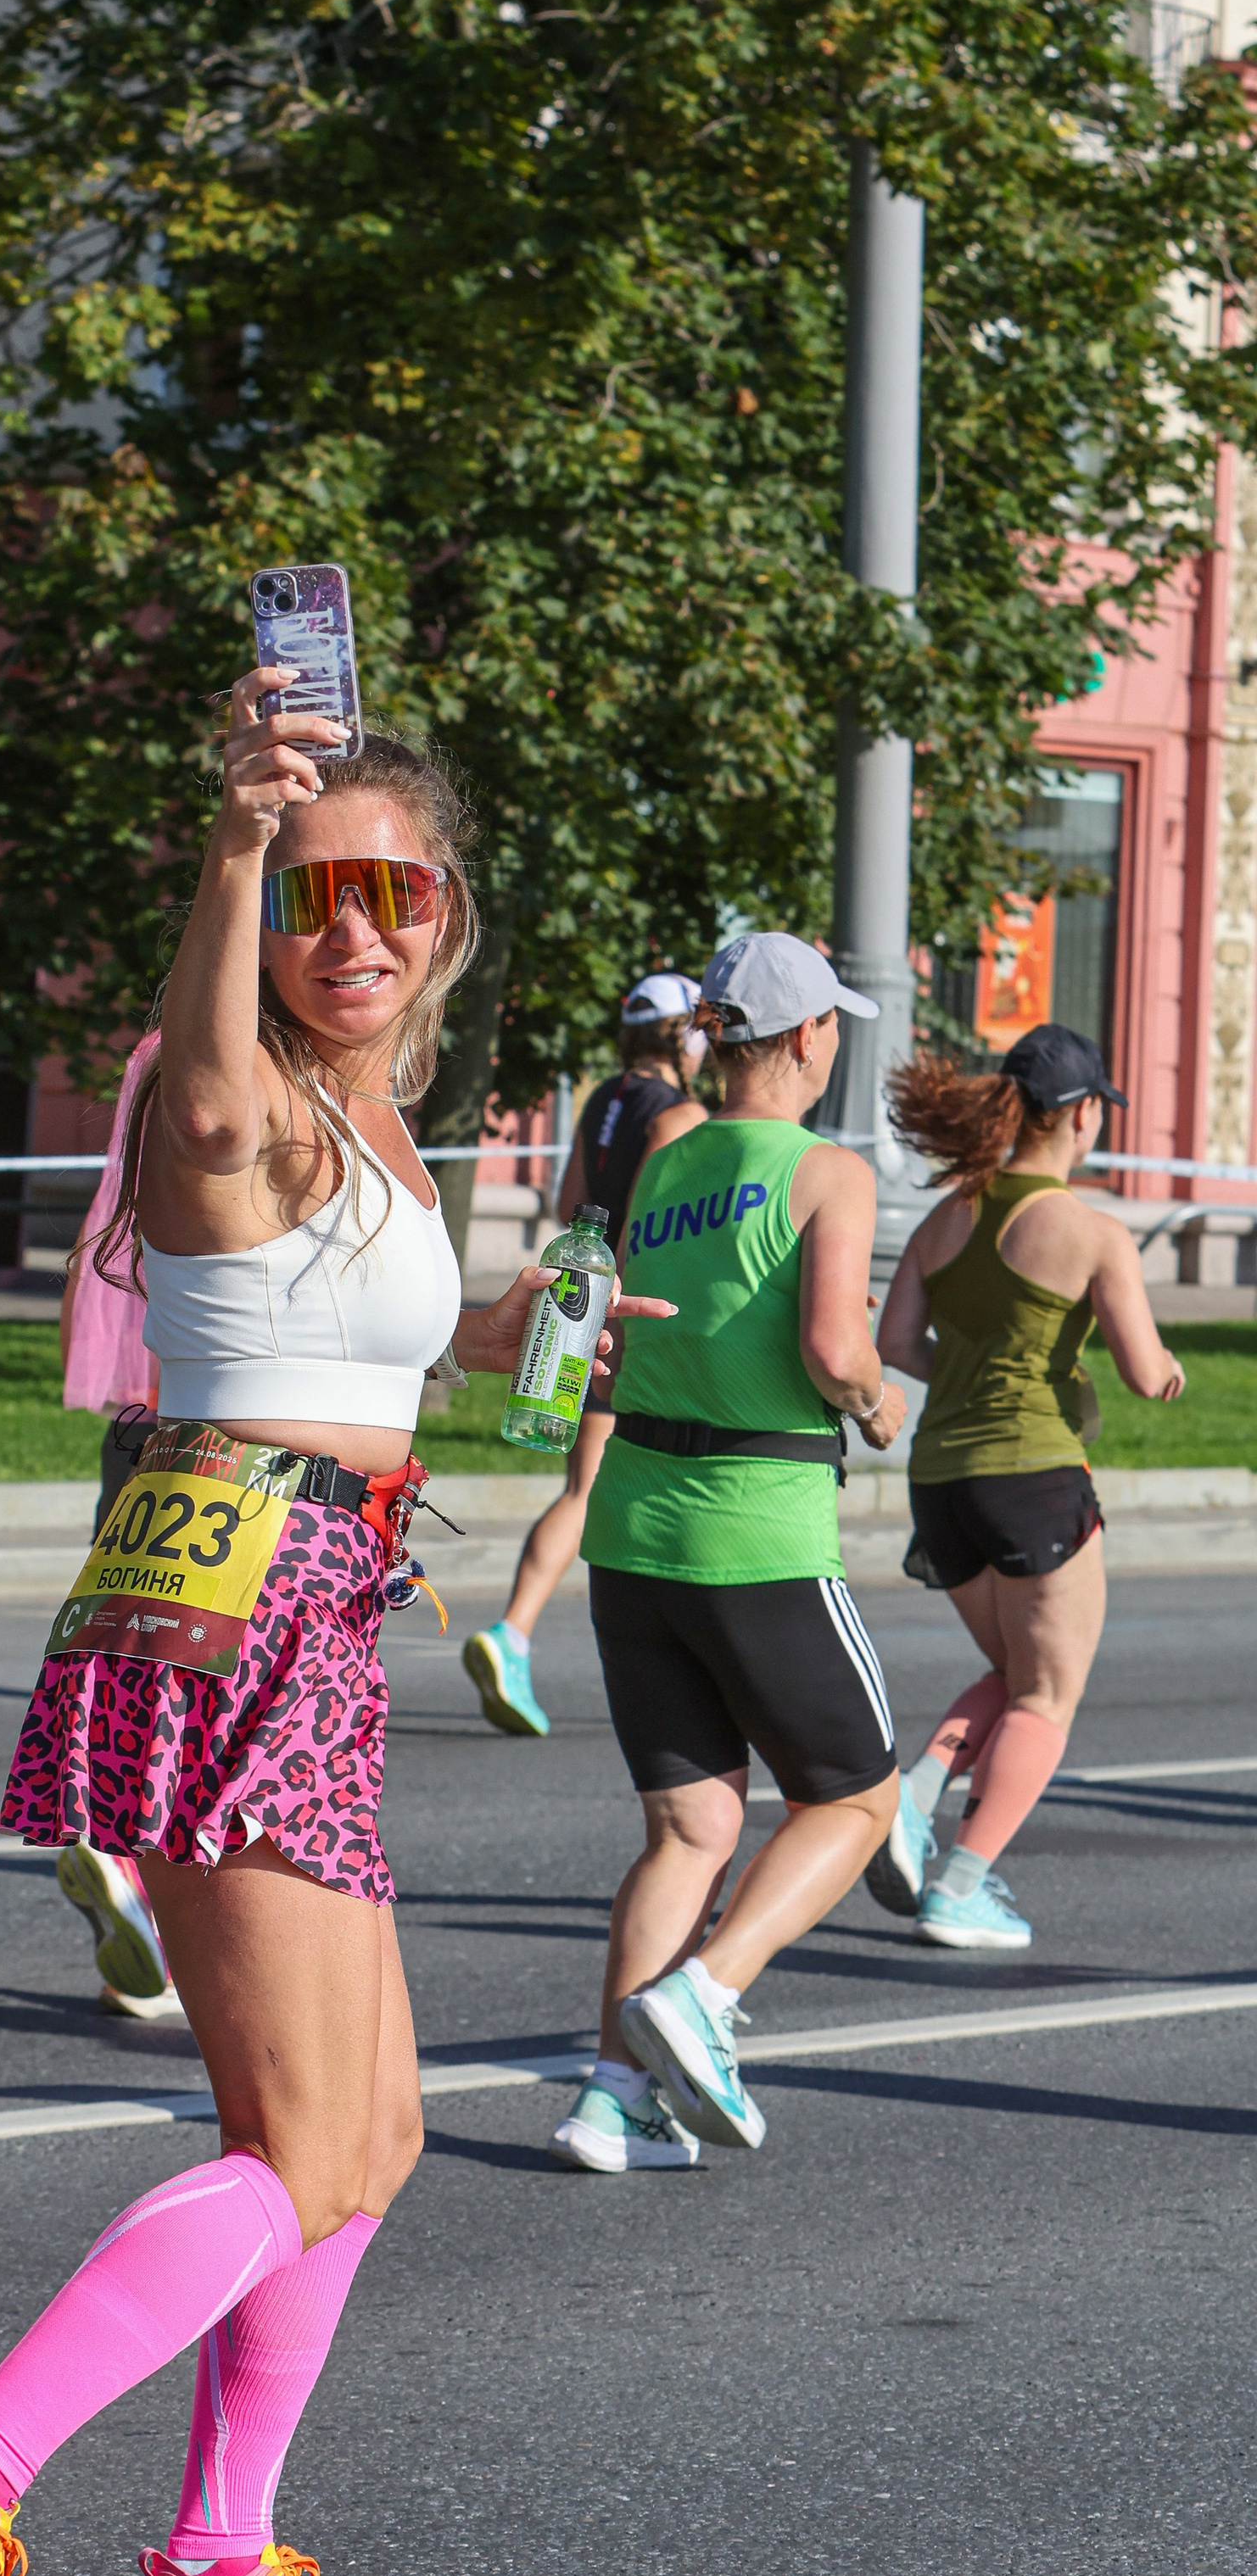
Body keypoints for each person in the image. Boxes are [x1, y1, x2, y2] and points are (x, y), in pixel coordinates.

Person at [0, 668, 666, 2576]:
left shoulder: (377, 1120)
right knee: (303, 2133)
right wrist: (224, 837)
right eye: (312, 894)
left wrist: (526, 1313)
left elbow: (373, 1329)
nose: (350, 927)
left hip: (313, 1589)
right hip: (232, 1596)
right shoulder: (235, 1092)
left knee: (361, 2133)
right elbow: (200, 1110)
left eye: (391, 889)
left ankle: (215, 2563)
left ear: (446, 912)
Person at [552, 928, 905, 2177]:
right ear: (809, 1037)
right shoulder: (828, 1171)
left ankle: (613, 2100)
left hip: (634, 1525)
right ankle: (706, 1992)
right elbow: (831, 1349)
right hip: (757, 1523)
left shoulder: (666, 1158)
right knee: (860, 1798)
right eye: (833, 1030)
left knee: (690, 1827)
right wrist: (876, 1404)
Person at [868, 1023, 1184, 1951]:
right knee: (1048, 1693)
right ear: (1083, 1115)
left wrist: (965, 1375)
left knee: (1014, 1674)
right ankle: (961, 1885)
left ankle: (911, 1798)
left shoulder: (950, 1213)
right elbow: (1140, 1368)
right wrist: (1168, 1372)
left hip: (941, 1480)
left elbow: (893, 1344)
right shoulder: (1090, 1231)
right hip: (1037, 1476)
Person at [463, 971, 707, 1737]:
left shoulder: (603, 1098)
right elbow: (652, 1226)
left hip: (582, 1306)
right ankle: (520, 1633)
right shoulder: (680, 1114)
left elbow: (576, 1203)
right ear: (679, 1035)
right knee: (620, 1486)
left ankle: (517, 1634)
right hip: (634, 1320)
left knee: (585, 1485)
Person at [53, 1028, 185, 2025]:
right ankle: (155, 1900)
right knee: (220, 1698)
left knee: (135, 1660)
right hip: (223, 1445)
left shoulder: (146, 1165)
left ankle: (129, 1891)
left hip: (133, 1433)